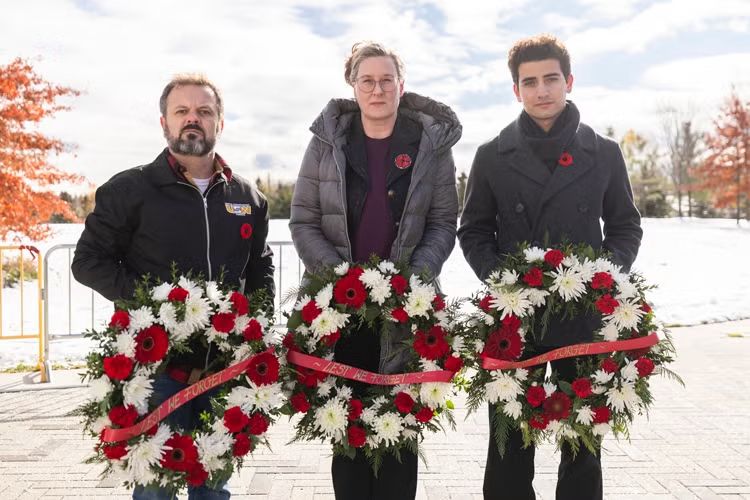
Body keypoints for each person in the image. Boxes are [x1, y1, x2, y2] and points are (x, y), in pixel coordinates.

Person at [457, 34, 643, 500]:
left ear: (569, 81)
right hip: (513, 321)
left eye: (551, 79)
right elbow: (474, 231)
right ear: (515, 89)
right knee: (508, 443)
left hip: (583, 316)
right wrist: (504, 283)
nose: (542, 90)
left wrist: (601, 279)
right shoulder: (490, 155)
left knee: (582, 440)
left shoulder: (604, 153)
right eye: (530, 81)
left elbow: (625, 226)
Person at [72, 73, 275, 500]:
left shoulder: (247, 197)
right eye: (181, 111)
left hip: (223, 369)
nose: (192, 120)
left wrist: (258, 319)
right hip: (154, 372)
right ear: (164, 122)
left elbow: (260, 267)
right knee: (154, 491)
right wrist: (154, 306)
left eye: (204, 111)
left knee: (213, 489)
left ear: (220, 122)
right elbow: (88, 261)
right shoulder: (131, 189)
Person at [289, 41, 461, 500]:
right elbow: (303, 220)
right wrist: (340, 280)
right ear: (353, 84)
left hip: (407, 308)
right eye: (368, 80)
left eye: (387, 80)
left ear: (401, 87)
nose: (378, 89)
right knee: (346, 429)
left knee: (398, 429)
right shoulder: (327, 142)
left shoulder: (430, 146)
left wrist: (414, 277)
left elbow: (444, 221)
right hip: (338, 309)